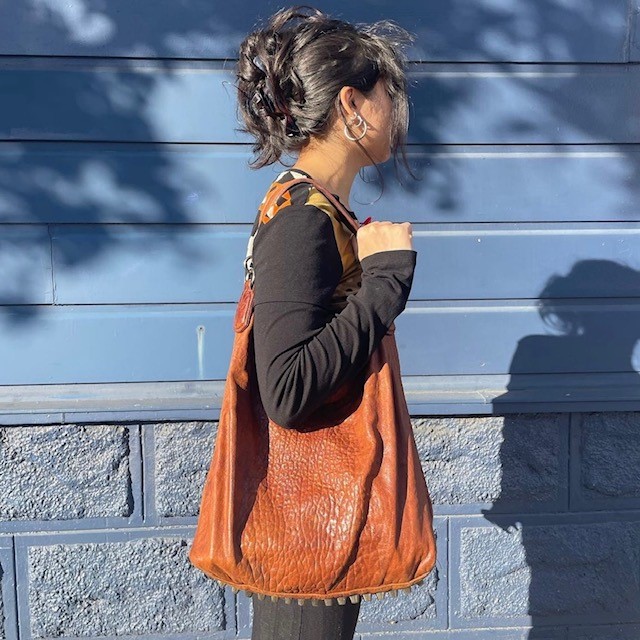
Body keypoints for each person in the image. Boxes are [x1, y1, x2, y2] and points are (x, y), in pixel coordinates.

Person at [235, 6, 417, 639]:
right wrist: (386, 282)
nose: (398, 109)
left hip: (317, 515)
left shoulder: (320, 210)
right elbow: (285, 392)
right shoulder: (303, 218)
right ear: (352, 105)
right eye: (389, 93)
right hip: (308, 519)